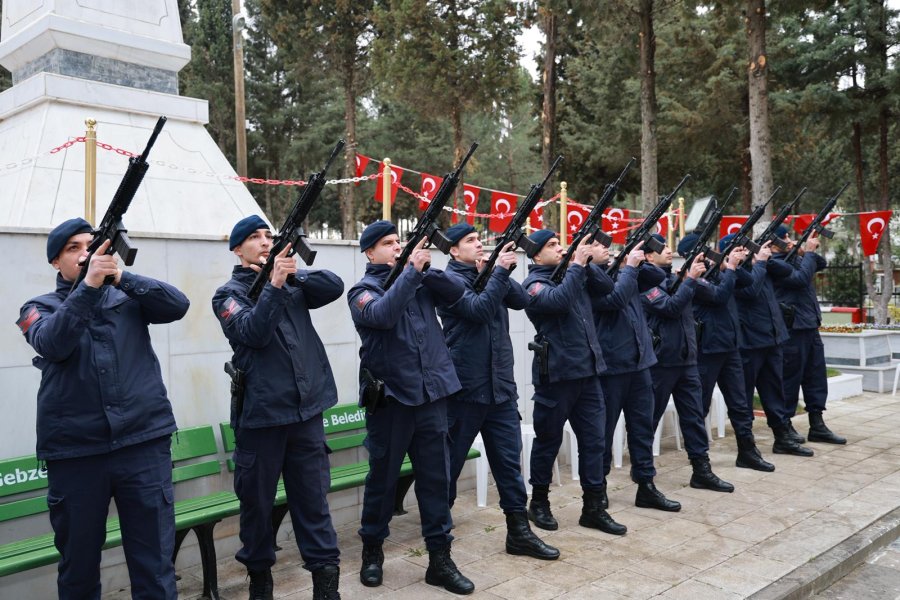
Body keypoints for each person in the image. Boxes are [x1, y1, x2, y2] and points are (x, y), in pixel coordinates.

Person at [17, 217, 190, 599]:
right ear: (54, 262)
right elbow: (53, 343)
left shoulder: (126, 294)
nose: (83, 255)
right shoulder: (37, 308)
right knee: (78, 570)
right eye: (72, 249)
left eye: (89, 246)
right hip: (77, 455)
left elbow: (178, 304)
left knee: (155, 566)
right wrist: (91, 286)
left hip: (143, 446)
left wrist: (120, 278)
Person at [212, 215, 342, 600]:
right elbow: (253, 332)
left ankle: (326, 585)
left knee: (314, 503)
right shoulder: (226, 296)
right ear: (237, 249)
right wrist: (274, 284)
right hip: (262, 419)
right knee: (256, 507)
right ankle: (260, 581)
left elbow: (333, 286)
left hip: (306, 415)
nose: (265, 242)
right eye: (253, 238)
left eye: (268, 235)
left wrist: (293, 276)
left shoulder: (291, 283)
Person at [347, 220, 474, 595]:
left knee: (435, 480)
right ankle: (373, 550)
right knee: (383, 481)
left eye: (397, 242)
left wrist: (426, 268)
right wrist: (409, 274)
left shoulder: (417, 280)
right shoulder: (362, 291)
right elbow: (382, 315)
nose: (395, 247)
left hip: (432, 396)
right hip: (392, 402)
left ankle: (440, 558)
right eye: (387, 244)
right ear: (370, 253)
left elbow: (458, 293)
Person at [437, 223, 559, 561]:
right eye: (470, 241)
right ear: (453, 250)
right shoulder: (447, 280)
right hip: (464, 390)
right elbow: (476, 310)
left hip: (500, 390)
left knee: (508, 463)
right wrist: (497, 276)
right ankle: (438, 536)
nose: (479, 245)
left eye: (479, 239)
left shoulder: (491, 275)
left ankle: (519, 532)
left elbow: (520, 301)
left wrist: (498, 272)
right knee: (449, 464)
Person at [521, 229, 627, 536]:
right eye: (552, 246)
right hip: (556, 377)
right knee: (548, 442)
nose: (559, 248)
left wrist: (586, 263)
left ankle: (593, 508)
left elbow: (607, 287)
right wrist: (577, 266)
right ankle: (538, 502)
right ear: (536, 255)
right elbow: (558, 302)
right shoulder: (533, 284)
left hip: (589, 374)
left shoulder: (575, 273)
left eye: (560, 243)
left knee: (595, 443)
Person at [591, 239, 682, 511]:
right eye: (597, 244)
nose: (605, 247)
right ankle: (599, 487)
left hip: (640, 364)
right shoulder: (589, 277)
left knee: (642, 430)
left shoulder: (622, 271)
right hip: (611, 367)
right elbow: (614, 299)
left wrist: (632, 260)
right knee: (603, 434)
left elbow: (657, 276)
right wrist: (628, 267)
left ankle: (646, 485)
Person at [642, 234, 734, 492]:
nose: (670, 251)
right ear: (648, 256)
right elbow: (669, 307)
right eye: (663, 249)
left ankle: (701, 469)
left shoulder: (674, 277)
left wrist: (693, 276)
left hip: (687, 360)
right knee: (649, 418)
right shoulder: (642, 281)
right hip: (661, 362)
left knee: (694, 417)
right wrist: (690, 279)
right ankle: (643, 471)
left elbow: (714, 294)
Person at [693, 234, 774, 472]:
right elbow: (718, 297)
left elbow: (749, 283)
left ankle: (748, 451)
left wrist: (736, 262)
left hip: (730, 348)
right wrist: (729, 267)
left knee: (740, 403)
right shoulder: (697, 280)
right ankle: (700, 463)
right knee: (700, 406)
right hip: (707, 349)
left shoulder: (722, 272)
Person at [734, 236, 813, 457]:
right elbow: (750, 291)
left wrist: (765, 259)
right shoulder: (734, 273)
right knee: (745, 395)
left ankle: (782, 437)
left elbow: (787, 271)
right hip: (750, 342)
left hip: (773, 338)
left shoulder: (762, 264)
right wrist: (758, 263)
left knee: (774, 392)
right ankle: (747, 445)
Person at [770, 226, 846, 445]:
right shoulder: (774, 263)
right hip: (792, 328)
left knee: (815, 377)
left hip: (809, 324)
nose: (789, 239)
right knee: (790, 378)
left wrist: (805, 253)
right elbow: (800, 280)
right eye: (784, 237)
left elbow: (820, 264)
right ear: (774, 242)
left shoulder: (794, 258)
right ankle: (785, 426)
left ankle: (817, 423)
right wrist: (809, 254)